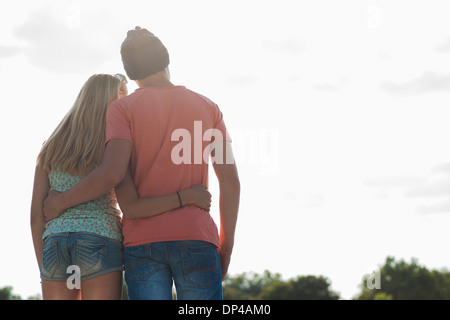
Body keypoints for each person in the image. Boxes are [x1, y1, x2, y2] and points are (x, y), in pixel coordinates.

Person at [43, 27, 241, 300]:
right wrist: (225, 247)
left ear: (131, 74)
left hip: (143, 243)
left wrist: (61, 201)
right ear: (166, 61)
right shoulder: (209, 107)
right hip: (197, 238)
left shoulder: (122, 109)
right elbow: (231, 182)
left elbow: (113, 172)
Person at [30, 73, 213, 300]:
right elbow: (120, 187)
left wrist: (45, 267)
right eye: (123, 96)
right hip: (99, 239)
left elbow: (36, 217)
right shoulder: (115, 143)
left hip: (56, 245)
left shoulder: (51, 147)